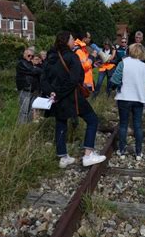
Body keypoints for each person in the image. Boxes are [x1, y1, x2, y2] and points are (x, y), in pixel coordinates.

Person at [40, 31, 107, 168]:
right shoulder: (71, 56)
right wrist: (59, 94)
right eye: (71, 39)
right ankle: (88, 155)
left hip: (55, 98)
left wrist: (52, 93)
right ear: (66, 42)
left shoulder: (50, 57)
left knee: (61, 123)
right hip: (72, 97)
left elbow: (43, 79)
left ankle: (63, 157)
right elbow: (75, 79)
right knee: (92, 119)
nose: (73, 41)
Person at [111, 43, 145, 161]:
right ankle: (138, 153)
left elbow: (114, 80)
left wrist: (120, 85)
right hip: (139, 98)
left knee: (123, 124)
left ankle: (122, 151)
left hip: (124, 97)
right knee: (138, 126)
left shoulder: (123, 63)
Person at [16, 48, 42, 124]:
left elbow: (37, 70)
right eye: (29, 55)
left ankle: (28, 128)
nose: (30, 57)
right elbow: (33, 71)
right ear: (24, 54)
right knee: (24, 111)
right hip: (25, 90)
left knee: (31, 110)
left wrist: (36, 68)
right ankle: (21, 127)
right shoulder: (22, 63)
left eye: (32, 56)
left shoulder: (30, 63)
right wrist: (36, 68)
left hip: (32, 90)